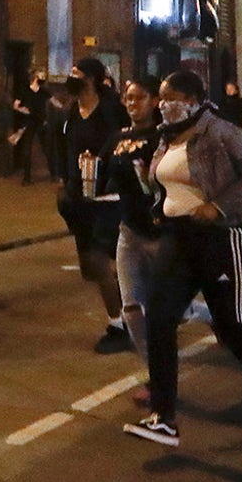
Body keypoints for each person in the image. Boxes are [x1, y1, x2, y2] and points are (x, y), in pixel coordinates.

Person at [123, 71, 242, 448]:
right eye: (162, 99)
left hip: (223, 239)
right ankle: (164, 418)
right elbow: (169, 182)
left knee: (231, 327)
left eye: (174, 98)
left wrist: (218, 206)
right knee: (160, 319)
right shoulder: (167, 136)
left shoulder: (219, 133)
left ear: (196, 100)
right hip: (179, 238)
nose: (165, 106)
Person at [58, 57, 132, 353]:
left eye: (77, 73)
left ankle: (120, 326)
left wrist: (108, 163)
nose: (72, 77)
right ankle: (137, 307)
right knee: (90, 268)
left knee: (101, 263)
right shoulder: (71, 113)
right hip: (81, 197)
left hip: (109, 196)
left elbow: (129, 141)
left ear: (91, 79)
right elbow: (65, 149)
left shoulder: (112, 110)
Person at [103, 74, 165, 405]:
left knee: (167, 309)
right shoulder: (118, 137)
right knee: (132, 308)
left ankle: (213, 313)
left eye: (139, 97)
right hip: (129, 230)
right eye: (127, 98)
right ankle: (158, 378)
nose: (131, 103)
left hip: (161, 232)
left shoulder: (164, 136)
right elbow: (103, 172)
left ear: (155, 101)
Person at [11, 69, 46, 183]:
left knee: (48, 147)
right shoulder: (24, 91)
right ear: (35, 77)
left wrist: (62, 106)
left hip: (41, 121)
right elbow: (15, 105)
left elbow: (53, 100)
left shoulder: (43, 91)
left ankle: (55, 173)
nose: (43, 77)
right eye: (42, 75)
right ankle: (27, 177)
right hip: (29, 122)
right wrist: (23, 110)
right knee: (27, 148)